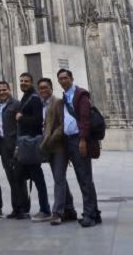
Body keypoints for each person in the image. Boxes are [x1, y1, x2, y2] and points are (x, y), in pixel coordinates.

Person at [57, 68, 101, 228]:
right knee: (84, 178)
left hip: (78, 140)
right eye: (60, 78)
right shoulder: (65, 96)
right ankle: (94, 213)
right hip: (69, 141)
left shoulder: (80, 94)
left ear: (71, 78)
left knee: (85, 179)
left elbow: (84, 118)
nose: (63, 81)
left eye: (65, 78)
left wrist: (82, 139)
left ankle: (89, 214)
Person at [38, 77, 77, 225]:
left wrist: (50, 139)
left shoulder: (58, 103)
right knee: (59, 178)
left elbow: (62, 125)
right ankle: (70, 209)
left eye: (45, 87)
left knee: (59, 178)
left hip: (58, 147)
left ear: (51, 88)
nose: (43, 90)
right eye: (40, 88)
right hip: (48, 148)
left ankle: (57, 212)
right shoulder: (40, 105)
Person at [15, 71, 51, 221]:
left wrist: (21, 118)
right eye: (21, 80)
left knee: (37, 177)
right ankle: (23, 208)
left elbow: (37, 121)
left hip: (31, 143)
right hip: (25, 143)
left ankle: (45, 209)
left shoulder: (34, 98)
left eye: (26, 81)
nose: (23, 83)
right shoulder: (26, 97)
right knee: (23, 176)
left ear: (31, 82)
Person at [0, 79, 26, 219]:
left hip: (14, 144)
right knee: (10, 177)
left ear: (9, 90)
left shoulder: (16, 104)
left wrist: (18, 145)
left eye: (4, 89)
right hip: (3, 145)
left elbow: (20, 126)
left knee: (19, 177)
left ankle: (22, 208)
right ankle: (16, 208)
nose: (2, 92)